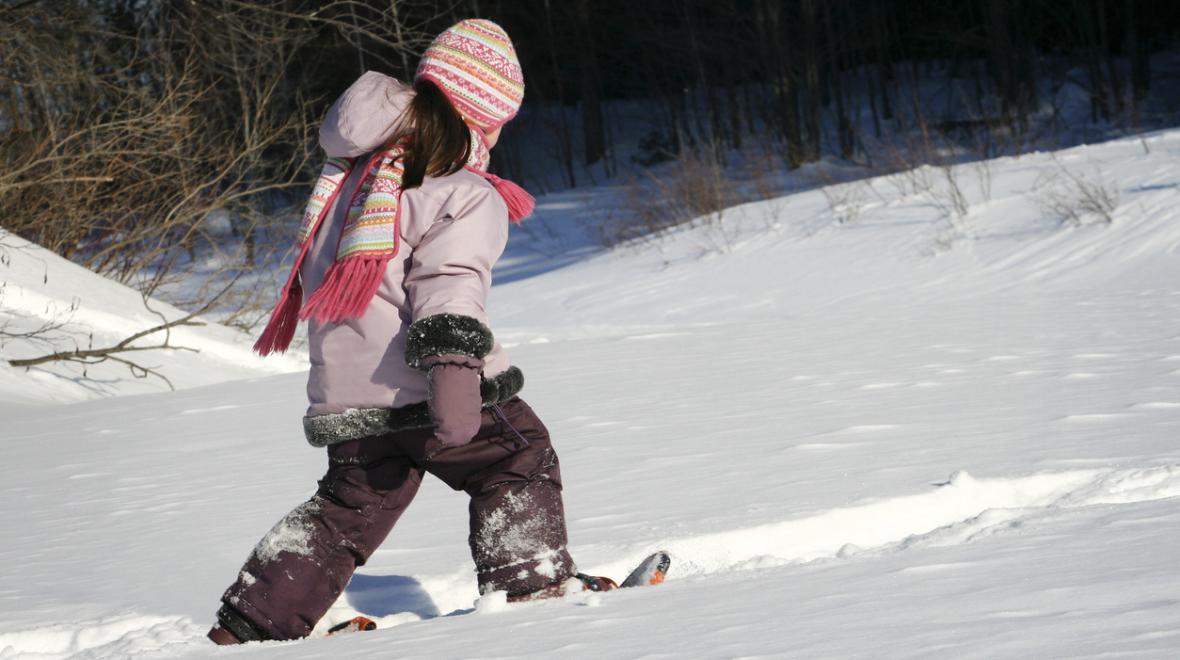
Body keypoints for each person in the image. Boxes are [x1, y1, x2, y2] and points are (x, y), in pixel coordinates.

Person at [207, 19, 612, 645]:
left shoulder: (353, 180)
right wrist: (454, 377)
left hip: (349, 393)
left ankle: (253, 621)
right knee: (518, 456)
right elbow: (448, 286)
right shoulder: (459, 189)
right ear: (482, 119)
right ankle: (532, 584)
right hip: (421, 385)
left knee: (349, 505)